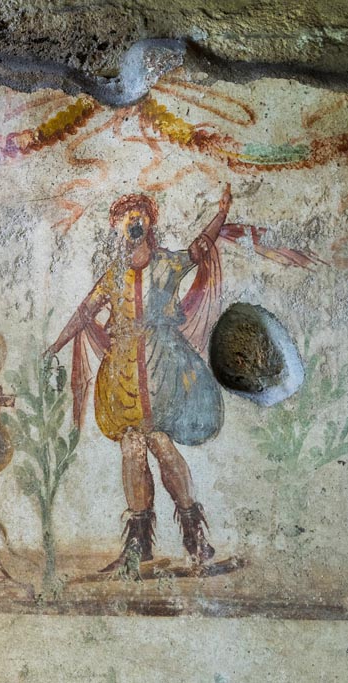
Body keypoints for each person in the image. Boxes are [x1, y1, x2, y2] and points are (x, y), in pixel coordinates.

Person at [47, 186, 232, 572]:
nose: (133, 221)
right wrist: (54, 347)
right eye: (126, 217)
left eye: (139, 215)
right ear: (118, 228)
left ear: (149, 223)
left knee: (160, 443)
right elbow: (85, 313)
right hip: (124, 370)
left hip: (162, 365)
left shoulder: (166, 263)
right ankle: (137, 548)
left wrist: (221, 214)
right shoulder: (114, 275)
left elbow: (199, 249)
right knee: (132, 446)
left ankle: (196, 542)